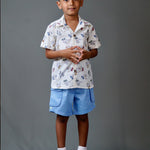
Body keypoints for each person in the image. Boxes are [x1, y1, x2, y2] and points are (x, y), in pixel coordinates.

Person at [40, 0, 101, 150]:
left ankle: (82, 148)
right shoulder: (53, 27)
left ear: (81, 2)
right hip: (62, 82)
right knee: (61, 117)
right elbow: (48, 53)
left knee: (83, 116)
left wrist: (88, 54)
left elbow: (95, 50)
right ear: (59, 4)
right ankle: (61, 149)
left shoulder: (88, 27)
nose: (71, 3)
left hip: (84, 81)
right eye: (66, 0)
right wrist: (64, 53)